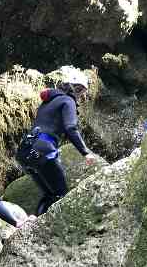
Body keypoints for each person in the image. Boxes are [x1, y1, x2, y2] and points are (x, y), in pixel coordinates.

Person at [15, 66, 102, 215]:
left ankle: (33, 226)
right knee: (61, 194)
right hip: (42, 150)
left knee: (50, 194)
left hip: (25, 152)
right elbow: (71, 128)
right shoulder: (68, 101)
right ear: (73, 87)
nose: (81, 96)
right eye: (80, 90)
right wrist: (85, 152)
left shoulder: (49, 101)